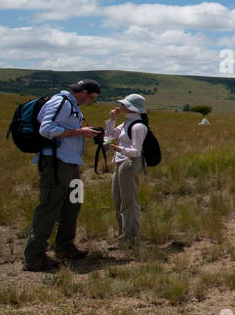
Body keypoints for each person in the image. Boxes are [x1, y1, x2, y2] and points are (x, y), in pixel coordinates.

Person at [23, 79, 102, 271]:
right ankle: (34, 256)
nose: (91, 102)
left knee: (74, 201)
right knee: (50, 205)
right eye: (91, 98)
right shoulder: (60, 103)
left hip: (71, 163)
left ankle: (65, 246)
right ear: (83, 92)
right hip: (56, 163)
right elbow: (46, 129)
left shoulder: (71, 105)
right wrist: (79, 132)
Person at [105, 93, 149, 252]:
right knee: (118, 200)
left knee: (129, 202)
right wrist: (112, 120)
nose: (120, 106)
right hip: (120, 162)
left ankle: (130, 239)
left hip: (130, 163)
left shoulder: (138, 125)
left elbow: (136, 151)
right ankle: (122, 237)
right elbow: (109, 136)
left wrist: (118, 148)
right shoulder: (126, 122)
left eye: (124, 104)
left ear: (130, 107)